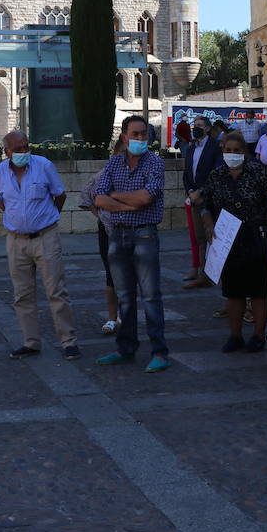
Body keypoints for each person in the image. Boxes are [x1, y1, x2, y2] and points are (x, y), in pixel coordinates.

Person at [0, 131, 80, 361]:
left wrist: (46, 219)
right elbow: (1, 202)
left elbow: (59, 196)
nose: (24, 152)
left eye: (26, 146)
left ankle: (68, 341)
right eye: (18, 149)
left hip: (45, 237)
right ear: (7, 152)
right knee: (22, 294)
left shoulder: (44, 166)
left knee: (56, 291)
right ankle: (31, 342)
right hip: (16, 241)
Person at [94, 115, 170, 373]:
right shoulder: (113, 163)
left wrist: (116, 196)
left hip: (144, 234)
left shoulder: (155, 164)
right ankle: (125, 348)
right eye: (135, 134)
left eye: (144, 134)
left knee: (150, 296)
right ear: (124, 137)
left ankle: (159, 351)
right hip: (118, 234)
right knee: (125, 296)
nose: (140, 139)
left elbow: (147, 198)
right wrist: (129, 201)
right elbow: (99, 200)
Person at [195, 131, 267, 353]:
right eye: (228, 150)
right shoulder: (217, 174)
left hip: (255, 235)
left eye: (237, 151)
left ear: (245, 152)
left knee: (258, 290)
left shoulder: (257, 171)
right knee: (233, 290)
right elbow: (205, 204)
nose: (232, 154)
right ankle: (235, 335)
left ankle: (258, 335)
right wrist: (208, 224)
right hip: (227, 237)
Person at [81, 138, 124, 337]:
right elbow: (86, 197)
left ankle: (125, 315)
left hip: (131, 230)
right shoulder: (103, 175)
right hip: (108, 231)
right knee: (110, 274)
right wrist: (100, 215)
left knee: (129, 275)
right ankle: (111, 316)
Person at [182, 115, 222, 289]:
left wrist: (201, 191)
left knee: (212, 236)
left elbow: (217, 172)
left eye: (198, 125)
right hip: (195, 199)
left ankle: (214, 272)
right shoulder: (191, 148)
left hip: (210, 198)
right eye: (194, 125)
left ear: (207, 128)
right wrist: (191, 191)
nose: (195, 128)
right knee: (199, 237)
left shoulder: (215, 147)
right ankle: (202, 273)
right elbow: (187, 173)